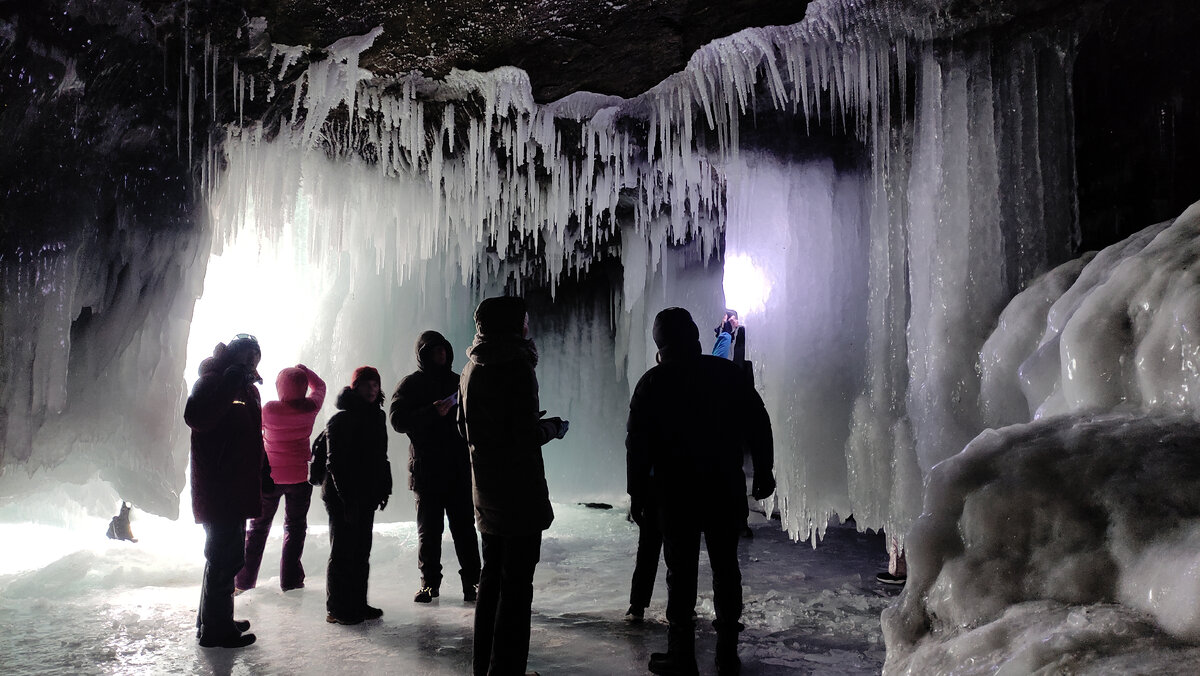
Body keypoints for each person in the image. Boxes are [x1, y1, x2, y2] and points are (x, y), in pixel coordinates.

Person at [627, 308, 775, 676]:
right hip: (723, 486)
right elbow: (759, 421)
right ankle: (728, 644)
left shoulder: (652, 383)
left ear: (661, 344)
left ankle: (681, 654)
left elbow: (637, 446)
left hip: (676, 493)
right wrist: (764, 470)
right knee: (726, 566)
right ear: (694, 336)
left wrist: (638, 495)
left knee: (681, 572)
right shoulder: (726, 374)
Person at [458, 296, 569, 676]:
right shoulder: (516, 368)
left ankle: (485, 667)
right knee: (517, 587)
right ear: (511, 325)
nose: (527, 325)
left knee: (492, 580)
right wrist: (551, 428)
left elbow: (466, 428)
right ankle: (507, 671)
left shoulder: (470, 366)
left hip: (485, 489)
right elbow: (522, 436)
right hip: (518, 493)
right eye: (523, 319)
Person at [183, 334, 270, 649]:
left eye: (255, 357)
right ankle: (215, 630)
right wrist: (229, 382)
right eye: (247, 356)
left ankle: (212, 620)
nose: (252, 362)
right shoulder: (212, 380)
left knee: (223, 558)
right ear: (234, 356)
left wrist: (265, 469)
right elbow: (196, 416)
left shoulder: (247, 390)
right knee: (225, 558)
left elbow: (249, 438)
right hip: (220, 487)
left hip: (235, 486)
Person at [390, 330, 481, 604]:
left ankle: (473, 583)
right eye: (434, 350)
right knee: (429, 533)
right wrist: (432, 412)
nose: (440, 354)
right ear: (423, 354)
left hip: (458, 470)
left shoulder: (459, 381)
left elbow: (477, 414)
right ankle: (429, 584)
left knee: (465, 529)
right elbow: (396, 420)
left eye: (443, 350)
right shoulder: (411, 384)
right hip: (426, 471)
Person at [236, 364, 326, 593]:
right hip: (299, 479)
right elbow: (321, 387)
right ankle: (291, 580)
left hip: (270, 478)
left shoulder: (270, 410)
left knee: (257, 529)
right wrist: (305, 370)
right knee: (295, 529)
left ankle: (244, 581)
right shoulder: (310, 408)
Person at [323, 366, 392, 625]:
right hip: (342, 497)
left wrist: (385, 487)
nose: (372, 389)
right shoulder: (340, 420)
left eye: (376, 384)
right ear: (355, 387)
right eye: (367, 384)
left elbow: (380, 457)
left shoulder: (378, 416)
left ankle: (358, 603)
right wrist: (347, 499)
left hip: (366, 494)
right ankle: (337, 609)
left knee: (361, 550)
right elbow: (335, 464)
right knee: (342, 551)